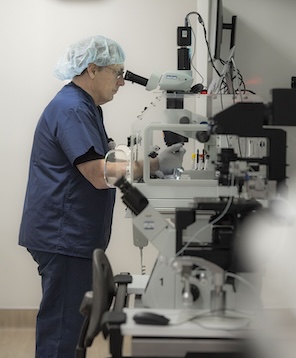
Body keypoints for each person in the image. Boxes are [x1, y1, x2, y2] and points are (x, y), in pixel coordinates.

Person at [19, 35, 185, 357]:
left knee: (69, 327)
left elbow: (104, 155)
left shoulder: (85, 106)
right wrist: (153, 164)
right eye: (117, 73)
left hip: (68, 234)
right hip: (63, 235)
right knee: (62, 332)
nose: (122, 82)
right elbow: (98, 174)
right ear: (92, 69)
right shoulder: (72, 109)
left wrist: (141, 162)